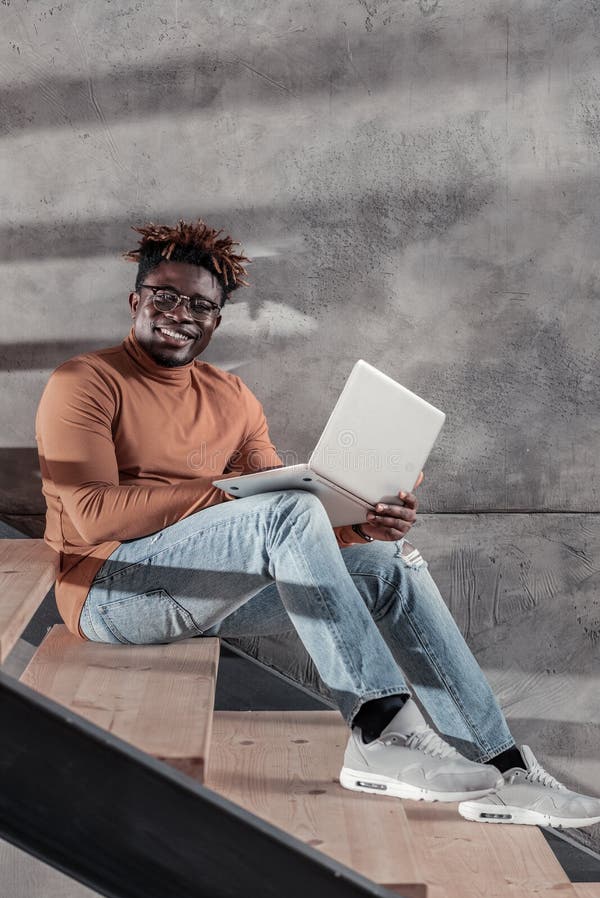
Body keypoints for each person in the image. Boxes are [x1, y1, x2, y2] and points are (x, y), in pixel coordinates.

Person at [36, 219, 600, 829]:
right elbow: (89, 516)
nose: (181, 313)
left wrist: (364, 527)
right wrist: (225, 496)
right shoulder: (85, 382)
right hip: (107, 594)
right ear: (136, 300)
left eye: (200, 304)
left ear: (217, 320)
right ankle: (381, 728)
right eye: (165, 296)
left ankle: (503, 767)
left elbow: (295, 520)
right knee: (281, 510)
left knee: (387, 568)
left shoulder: (233, 397)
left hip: (205, 592)